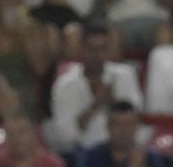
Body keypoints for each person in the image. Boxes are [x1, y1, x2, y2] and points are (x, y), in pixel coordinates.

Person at [44, 22, 142, 154]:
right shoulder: (65, 85)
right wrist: (95, 105)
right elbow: (65, 137)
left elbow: (135, 118)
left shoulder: (124, 75)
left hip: (124, 150)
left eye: (102, 49)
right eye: (91, 49)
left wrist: (113, 101)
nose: (97, 55)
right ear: (82, 49)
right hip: (82, 152)